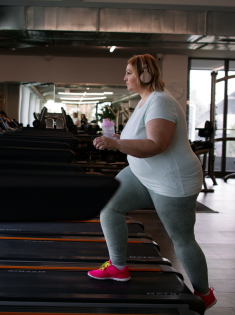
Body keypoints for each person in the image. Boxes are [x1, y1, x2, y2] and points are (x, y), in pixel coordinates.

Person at [87, 54, 216, 310]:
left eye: (129, 73)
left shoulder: (161, 103)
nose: (124, 78)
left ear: (145, 75)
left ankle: (204, 294)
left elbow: (156, 145)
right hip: (143, 173)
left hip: (171, 181)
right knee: (109, 206)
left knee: (182, 238)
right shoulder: (146, 100)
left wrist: (116, 143)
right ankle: (118, 267)